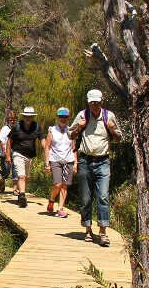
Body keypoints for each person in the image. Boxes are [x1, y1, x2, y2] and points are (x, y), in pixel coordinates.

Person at [69, 89, 122, 245]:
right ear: (88, 102)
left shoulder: (108, 116)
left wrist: (112, 129)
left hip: (103, 161)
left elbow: (119, 138)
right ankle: (88, 229)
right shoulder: (82, 115)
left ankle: (103, 232)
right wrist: (78, 128)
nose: (94, 105)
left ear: (102, 102)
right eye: (92, 102)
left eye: (97, 102)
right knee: (85, 198)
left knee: (103, 196)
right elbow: (70, 136)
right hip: (85, 160)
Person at [5, 106, 43, 208]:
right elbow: (9, 141)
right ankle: (22, 196)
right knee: (21, 176)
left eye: (30, 116)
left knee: (26, 177)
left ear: (33, 117)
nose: (28, 118)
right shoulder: (17, 126)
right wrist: (8, 155)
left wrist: (47, 150)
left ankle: (21, 193)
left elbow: (42, 139)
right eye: (26, 116)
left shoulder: (36, 127)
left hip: (29, 156)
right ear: (24, 116)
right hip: (18, 153)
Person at [44, 107, 76, 218]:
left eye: (65, 117)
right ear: (57, 118)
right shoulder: (52, 130)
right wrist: (47, 163)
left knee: (64, 185)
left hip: (68, 160)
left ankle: (60, 209)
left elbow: (73, 148)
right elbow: (47, 147)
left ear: (68, 118)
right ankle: (51, 200)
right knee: (57, 184)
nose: (63, 119)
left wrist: (75, 163)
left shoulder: (71, 130)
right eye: (61, 117)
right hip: (55, 160)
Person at [0, 110, 17, 193]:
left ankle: (15, 189)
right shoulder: (5, 129)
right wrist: (5, 152)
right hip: (5, 153)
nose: (12, 121)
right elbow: (1, 140)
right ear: (8, 120)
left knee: (15, 170)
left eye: (14, 119)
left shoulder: (17, 128)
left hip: (15, 152)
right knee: (7, 170)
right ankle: (2, 179)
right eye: (10, 120)